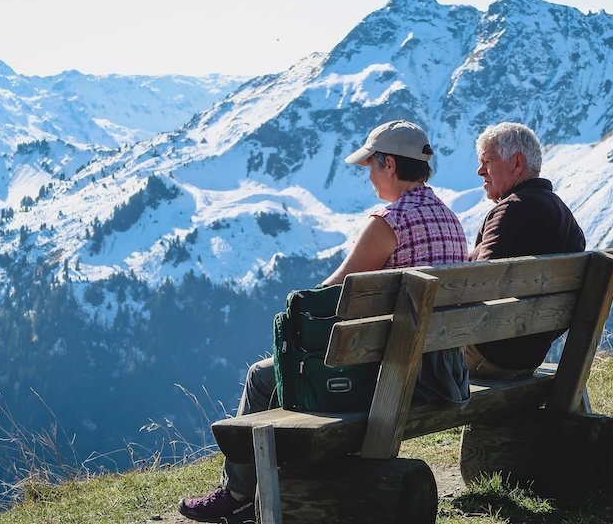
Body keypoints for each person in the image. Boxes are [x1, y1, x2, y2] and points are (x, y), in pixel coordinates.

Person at [179, 119, 470, 523]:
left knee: (263, 376)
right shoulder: (449, 219)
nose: (368, 175)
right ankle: (283, 474)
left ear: (389, 165)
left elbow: (330, 300)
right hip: (443, 372)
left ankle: (240, 493)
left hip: (397, 377)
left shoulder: (390, 222)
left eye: (370, 165)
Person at [466, 122, 586, 379]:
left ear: (517, 163)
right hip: (527, 357)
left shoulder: (511, 210)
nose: (479, 171)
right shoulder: (563, 213)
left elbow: (477, 286)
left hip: (488, 356)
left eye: (486, 161)